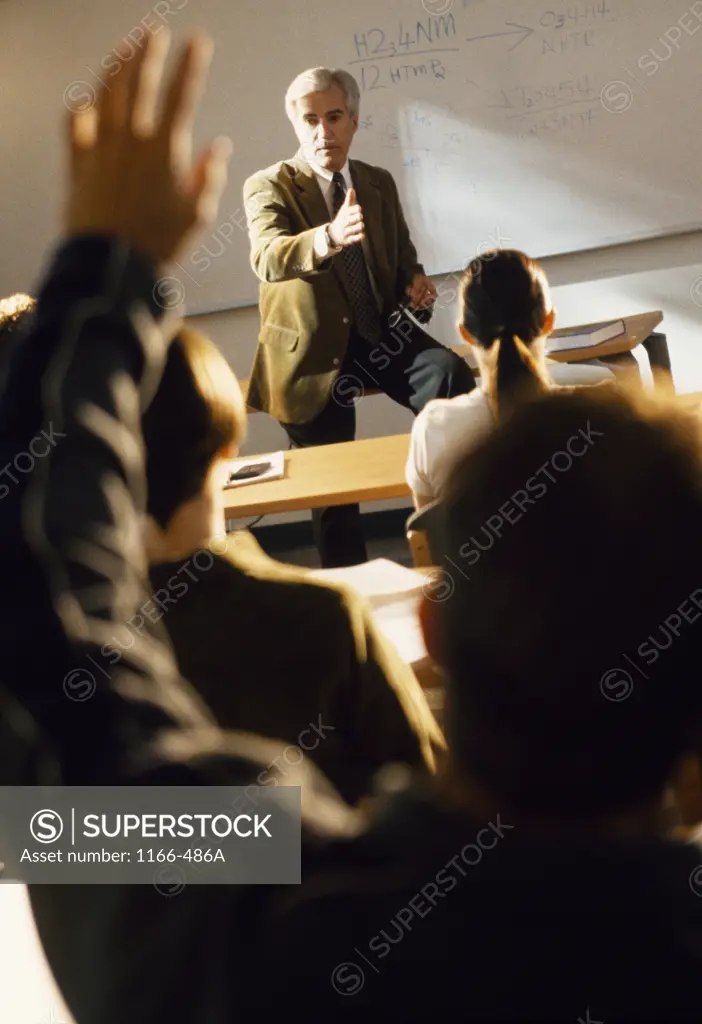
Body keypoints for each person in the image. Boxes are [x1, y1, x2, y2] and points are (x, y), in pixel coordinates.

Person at [7, 26, 702, 1024]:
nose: (326, 130)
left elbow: (58, 721)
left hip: (379, 345)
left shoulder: (257, 921)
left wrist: (101, 272)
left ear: (429, 620)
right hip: (316, 359)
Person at [141, 325, 445, 805]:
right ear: (230, 445)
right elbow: (430, 799)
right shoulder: (325, 618)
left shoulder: (52, 647)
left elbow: (72, 853)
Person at [243, 67, 476, 567]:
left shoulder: (376, 181)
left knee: (451, 374)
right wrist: (329, 236)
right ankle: (351, 592)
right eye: (309, 120)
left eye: (333, 117)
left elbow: (403, 255)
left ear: (353, 121)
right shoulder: (269, 185)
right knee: (333, 487)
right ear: (295, 125)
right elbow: (267, 257)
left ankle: (459, 540)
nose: (321, 132)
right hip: (311, 350)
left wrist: (415, 285)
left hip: (380, 333)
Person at [405, 249, 609, 508]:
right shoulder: (600, 413)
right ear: (549, 322)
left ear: (465, 334)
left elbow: (430, 539)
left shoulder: (433, 428)